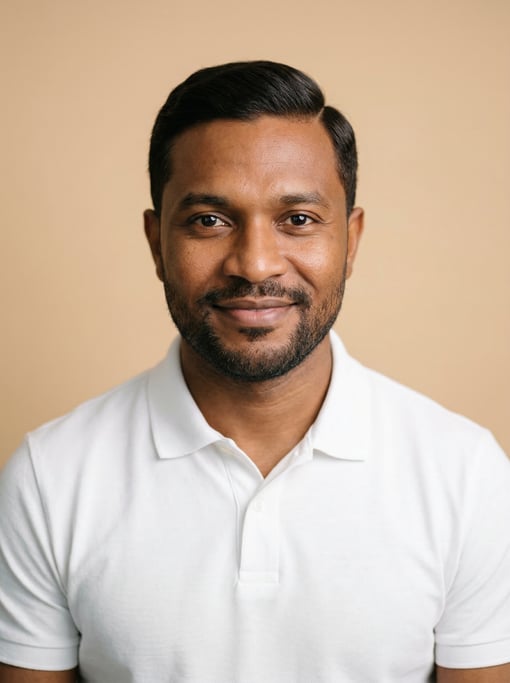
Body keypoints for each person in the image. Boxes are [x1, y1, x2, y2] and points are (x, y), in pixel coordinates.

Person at [0, 61, 509, 683]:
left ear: (351, 241)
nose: (255, 263)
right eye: (209, 220)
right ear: (156, 242)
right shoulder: (50, 477)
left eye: (297, 219)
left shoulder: (465, 473)